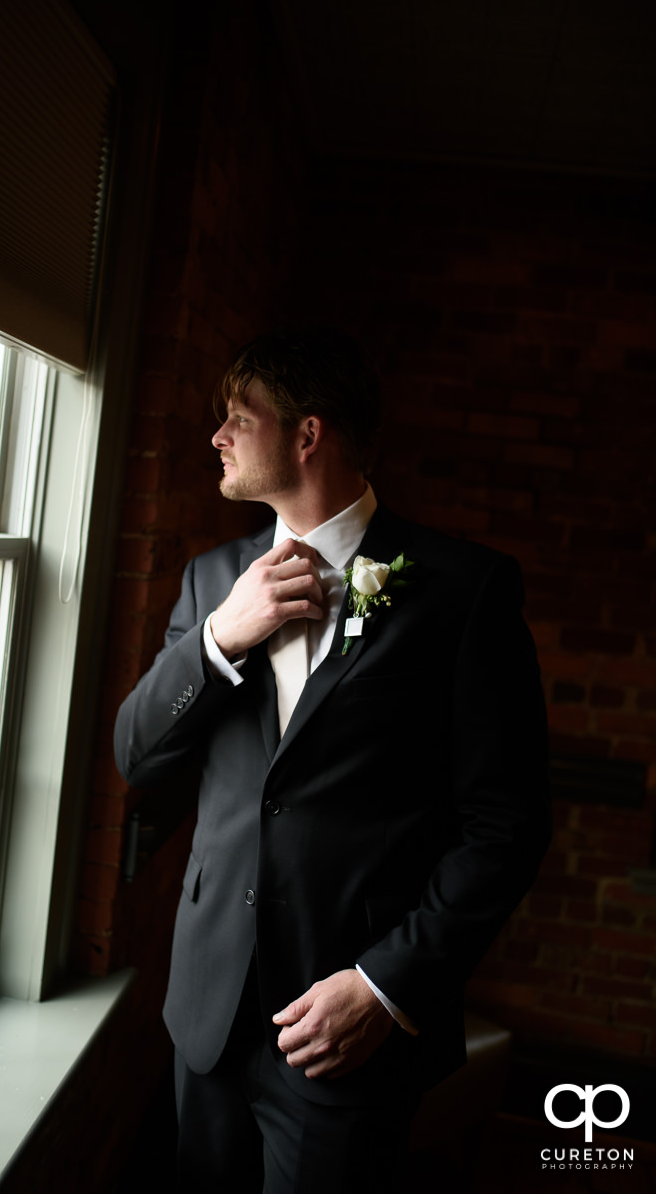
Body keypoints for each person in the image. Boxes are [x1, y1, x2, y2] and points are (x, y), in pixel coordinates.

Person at [114, 327, 550, 1192]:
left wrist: (385, 986)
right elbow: (137, 753)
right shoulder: (211, 583)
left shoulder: (463, 592)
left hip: (346, 1034)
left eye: (238, 417)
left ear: (306, 434)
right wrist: (215, 642)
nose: (217, 437)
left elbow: (505, 826)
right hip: (205, 1012)